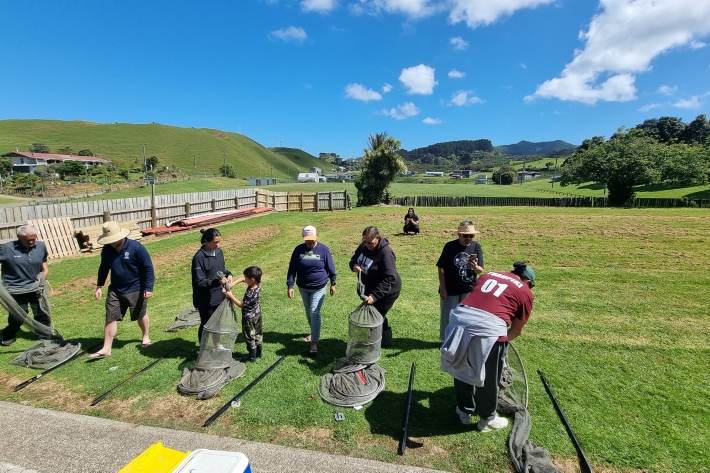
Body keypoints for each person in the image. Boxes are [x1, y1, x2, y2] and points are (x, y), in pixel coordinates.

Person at [440, 262, 535, 432]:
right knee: (489, 376)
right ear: (527, 282)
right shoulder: (525, 291)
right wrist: (499, 343)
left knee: (461, 366)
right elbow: (516, 330)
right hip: (488, 328)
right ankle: (488, 418)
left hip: (459, 320)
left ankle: (464, 410)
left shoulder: (488, 274)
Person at [90, 221, 155, 359]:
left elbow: (148, 268)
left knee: (140, 314)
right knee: (110, 316)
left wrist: (148, 287)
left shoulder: (137, 248)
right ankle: (106, 348)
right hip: (115, 289)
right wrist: (99, 286)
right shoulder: (107, 249)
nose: (111, 243)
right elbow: (104, 267)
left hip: (136, 288)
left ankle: (145, 336)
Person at [287, 225, 337, 356]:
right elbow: (292, 268)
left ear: (317, 236)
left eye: (312, 239)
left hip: (319, 286)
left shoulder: (323, 249)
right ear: (303, 237)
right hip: (303, 287)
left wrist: (333, 282)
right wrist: (290, 285)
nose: (310, 242)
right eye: (307, 239)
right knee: (309, 313)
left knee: (314, 312)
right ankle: (313, 332)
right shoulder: (298, 250)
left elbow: (331, 267)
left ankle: (314, 342)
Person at [349, 226, 401, 347]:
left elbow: (390, 278)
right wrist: (354, 265)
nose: (366, 244)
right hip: (370, 288)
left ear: (377, 238)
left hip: (388, 291)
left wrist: (374, 296)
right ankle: (383, 341)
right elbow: (353, 259)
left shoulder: (385, 253)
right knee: (376, 313)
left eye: (369, 242)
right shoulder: (364, 246)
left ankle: (375, 343)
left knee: (375, 314)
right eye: (364, 241)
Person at [0, 226, 51, 346]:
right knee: (19, 314)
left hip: (36, 286)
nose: (31, 242)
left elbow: (44, 261)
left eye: (33, 239)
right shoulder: (6, 248)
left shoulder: (41, 246)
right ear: (19, 237)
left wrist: (44, 273)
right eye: (27, 240)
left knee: (42, 312)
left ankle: (44, 335)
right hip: (15, 288)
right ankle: (9, 333)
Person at [436, 221, 484, 341]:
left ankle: (462, 341)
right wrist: (443, 288)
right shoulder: (450, 246)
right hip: (450, 289)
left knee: (466, 317)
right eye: (465, 236)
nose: (468, 238)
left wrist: (474, 266)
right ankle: (446, 341)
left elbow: (480, 270)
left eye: (471, 236)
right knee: (448, 317)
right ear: (459, 235)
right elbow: (441, 267)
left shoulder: (476, 246)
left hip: (468, 289)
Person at [192, 228, 232, 343]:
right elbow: (199, 281)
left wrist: (228, 273)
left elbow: (221, 269)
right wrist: (216, 282)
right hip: (205, 299)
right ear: (206, 241)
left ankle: (217, 346)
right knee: (207, 324)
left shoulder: (219, 252)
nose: (218, 244)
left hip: (219, 296)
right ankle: (203, 348)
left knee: (218, 323)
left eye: (219, 241)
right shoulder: (199, 258)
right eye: (215, 242)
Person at [224, 266, 263, 363]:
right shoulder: (257, 285)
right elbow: (242, 279)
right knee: (258, 334)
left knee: (250, 337)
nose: (244, 279)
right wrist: (233, 284)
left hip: (249, 318)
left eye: (246, 278)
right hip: (257, 314)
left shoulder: (251, 293)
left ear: (252, 279)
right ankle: (259, 353)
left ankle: (252, 357)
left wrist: (230, 295)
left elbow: (242, 305)